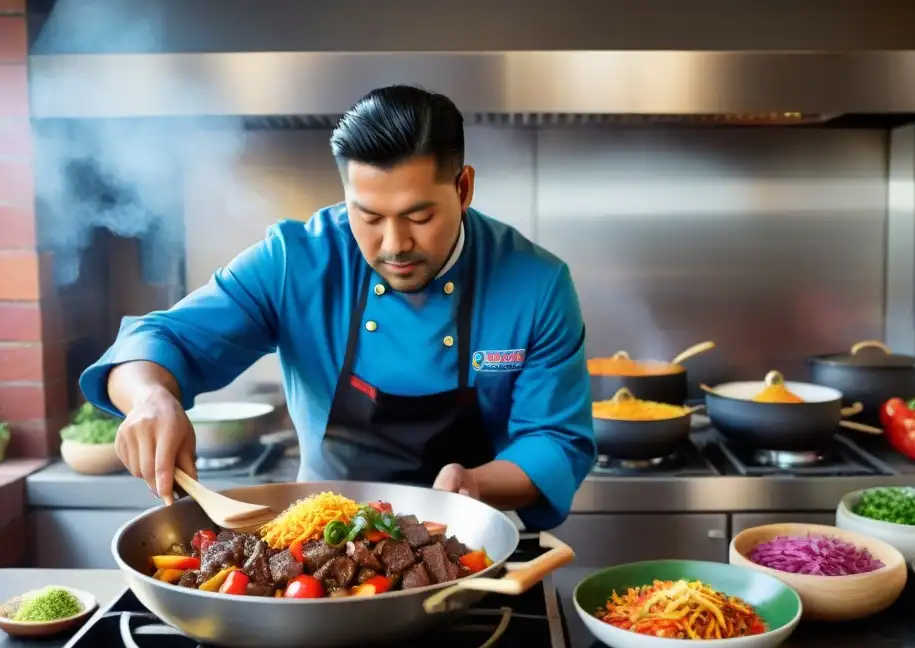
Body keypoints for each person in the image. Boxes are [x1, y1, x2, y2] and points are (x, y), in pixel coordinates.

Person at [79, 84, 596, 530]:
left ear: (463, 189)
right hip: (319, 550)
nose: (394, 244)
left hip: (474, 542)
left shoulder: (536, 284)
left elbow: (555, 440)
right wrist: (149, 397)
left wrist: (475, 483)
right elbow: (162, 339)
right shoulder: (297, 261)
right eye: (368, 216)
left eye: (419, 216)